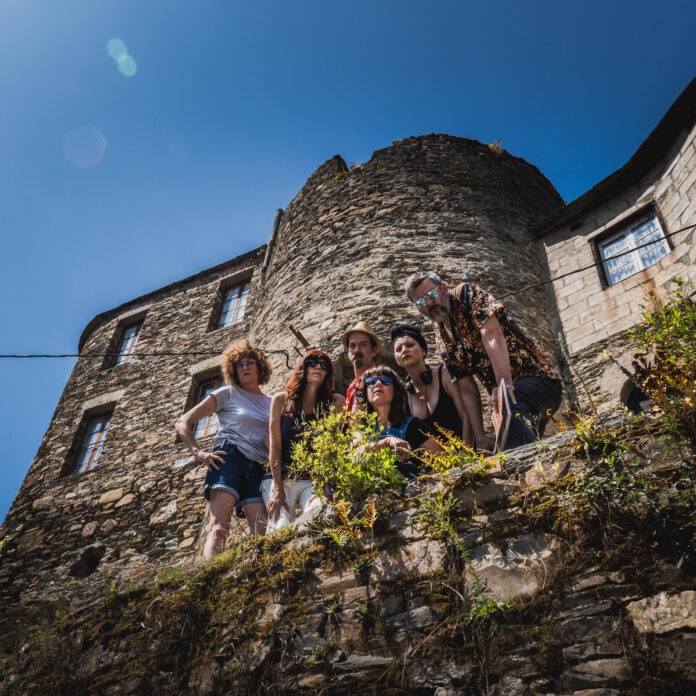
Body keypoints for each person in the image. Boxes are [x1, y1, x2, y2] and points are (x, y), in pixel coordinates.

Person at [404, 271, 563, 450]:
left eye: (431, 295)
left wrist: (505, 384)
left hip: (538, 378)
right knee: (519, 443)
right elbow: (466, 389)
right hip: (512, 398)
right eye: (420, 302)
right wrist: (479, 435)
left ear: (444, 289)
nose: (429, 303)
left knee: (512, 423)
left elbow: (492, 334)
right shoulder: (441, 337)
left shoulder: (466, 294)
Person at [175, 340, 272, 559]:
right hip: (229, 457)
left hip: (257, 466)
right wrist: (198, 453)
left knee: (262, 530)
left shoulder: (271, 402)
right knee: (219, 526)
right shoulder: (227, 393)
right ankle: (208, 580)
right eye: (239, 365)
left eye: (249, 362)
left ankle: (261, 578)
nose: (245, 367)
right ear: (233, 371)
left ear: (260, 367)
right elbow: (183, 422)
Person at [265, 350, 345, 531]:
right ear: (303, 367)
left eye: (324, 366)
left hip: (314, 480)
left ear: (327, 374)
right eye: (312, 362)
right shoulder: (280, 400)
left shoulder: (335, 403)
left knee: (321, 516)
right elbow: (275, 447)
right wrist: (277, 489)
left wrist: (326, 486)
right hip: (285, 479)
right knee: (279, 528)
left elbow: (331, 448)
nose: (318, 367)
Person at [391, 323, 474, 446]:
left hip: (464, 454)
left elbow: (467, 416)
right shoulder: (402, 394)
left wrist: (467, 456)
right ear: (397, 360)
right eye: (399, 349)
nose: (404, 350)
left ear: (423, 351)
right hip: (434, 463)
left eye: (410, 345)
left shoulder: (444, 374)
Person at [354, 365, 440, 478]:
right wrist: (387, 441)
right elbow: (356, 456)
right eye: (371, 382)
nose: (378, 383)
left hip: (409, 492)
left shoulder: (412, 426)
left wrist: (424, 484)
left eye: (386, 381)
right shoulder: (361, 429)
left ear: (395, 390)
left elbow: (441, 459)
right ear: (365, 392)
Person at [341, 321, 380, 411]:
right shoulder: (353, 386)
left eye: (363, 344)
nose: (356, 350)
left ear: (374, 350)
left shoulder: (381, 381)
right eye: (352, 346)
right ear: (348, 352)